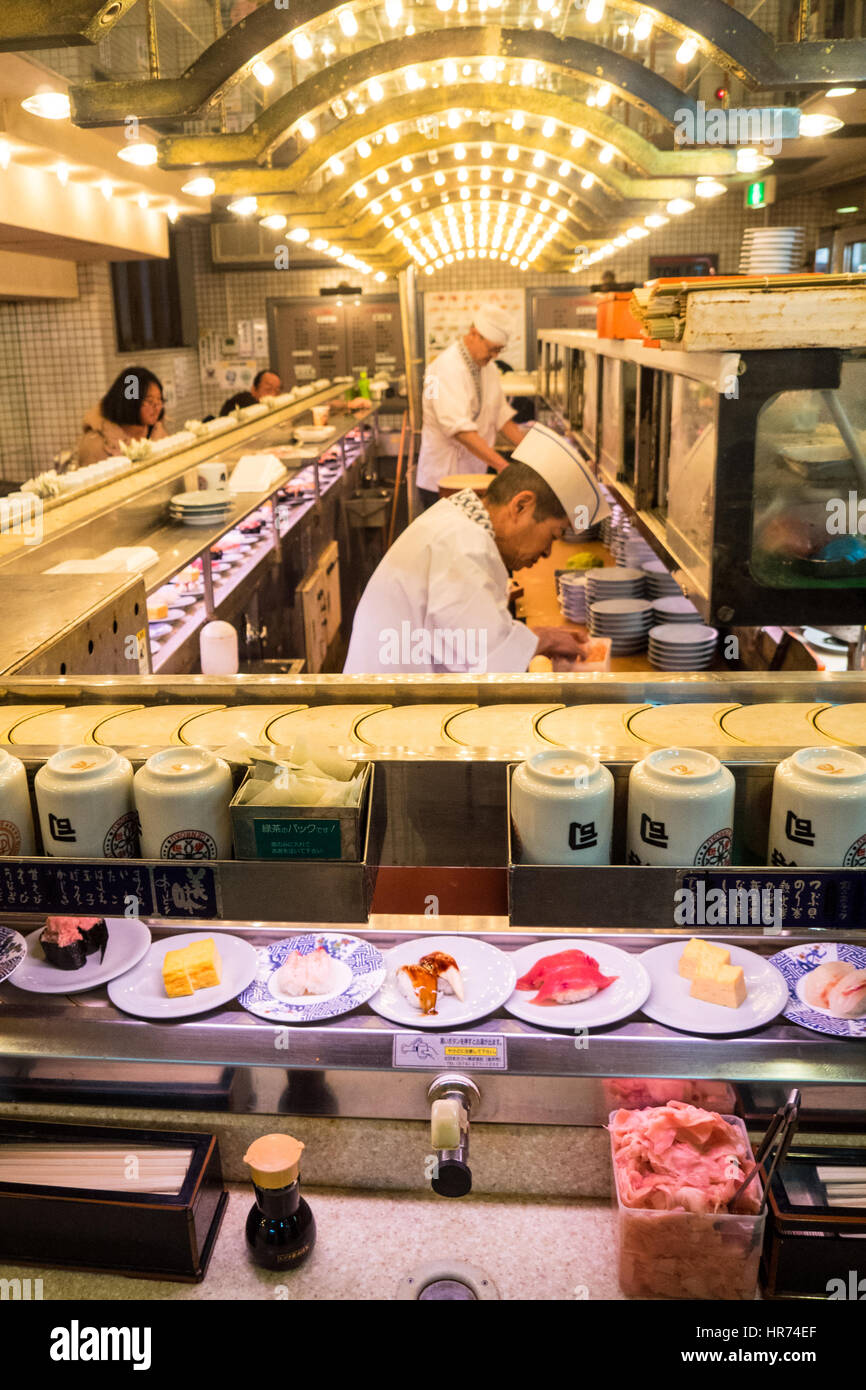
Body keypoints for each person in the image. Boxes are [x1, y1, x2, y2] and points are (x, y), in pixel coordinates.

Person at [344, 422, 610, 675]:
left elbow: (471, 637)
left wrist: (540, 637)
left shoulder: (460, 524)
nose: (547, 553)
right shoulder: (462, 545)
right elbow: (488, 659)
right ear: (520, 506)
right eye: (554, 534)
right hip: (389, 711)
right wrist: (542, 640)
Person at [417, 304, 527, 509]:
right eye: (492, 349)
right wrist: (503, 466)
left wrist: (531, 453)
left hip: (472, 476)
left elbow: (501, 416)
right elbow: (459, 430)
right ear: (475, 334)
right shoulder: (445, 368)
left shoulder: (489, 369)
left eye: (499, 351)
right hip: (443, 479)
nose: (495, 356)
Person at [76, 367, 167, 466]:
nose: (157, 408)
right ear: (129, 402)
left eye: (159, 400)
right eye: (150, 401)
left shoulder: (156, 431)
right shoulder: (96, 444)